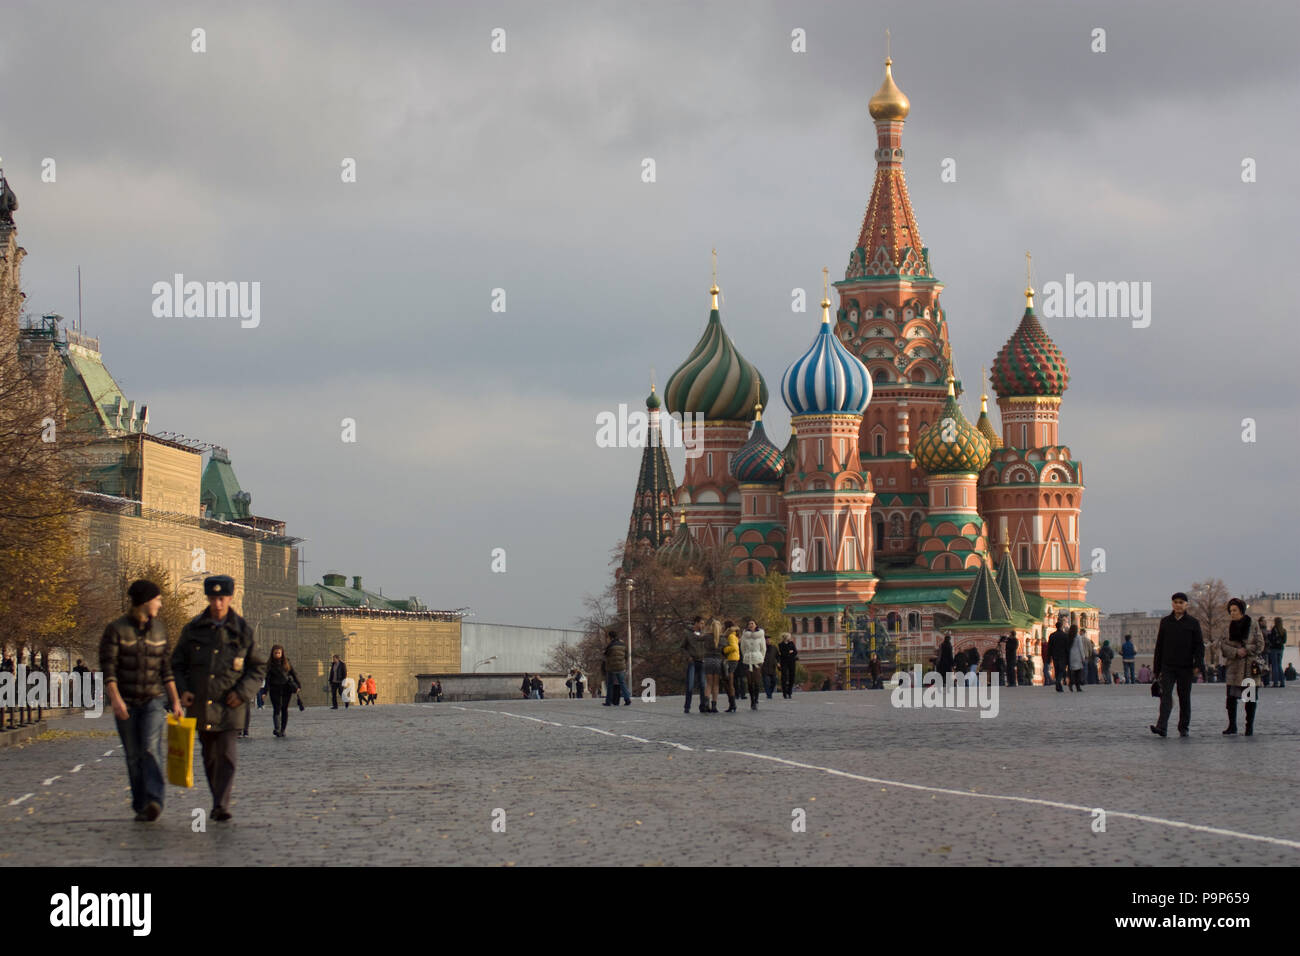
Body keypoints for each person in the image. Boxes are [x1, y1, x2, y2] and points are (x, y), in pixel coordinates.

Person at [172, 575, 266, 822]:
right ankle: (217, 799)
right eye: (213, 599)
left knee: (227, 755)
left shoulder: (242, 630)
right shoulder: (193, 629)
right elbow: (177, 664)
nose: (217, 604)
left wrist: (243, 692)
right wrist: (183, 690)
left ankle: (221, 804)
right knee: (210, 756)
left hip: (231, 705)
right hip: (201, 704)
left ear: (230, 598)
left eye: (221, 598)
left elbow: (257, 668)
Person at [100, 579, 184, 822]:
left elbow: (166, 670)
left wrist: (175, 701)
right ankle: (140, 804)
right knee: (133, 755)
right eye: (157, 599)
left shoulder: (159, 630)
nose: (161, 603)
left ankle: (155, 800)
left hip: (153, 700)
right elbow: (109, 669)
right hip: (125, 700)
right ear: (146, 601)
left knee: (149, 747)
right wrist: (115, 700)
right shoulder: (116, 630)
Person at [1150, 591, 1205, 738]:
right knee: (1165, 696)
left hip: (1185, 667)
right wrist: (1157, 669)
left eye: (1181, 602)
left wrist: (1198, 665)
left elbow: (1199, 646)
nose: (1178, 605)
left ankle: (1184, 727)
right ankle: (1162, 727)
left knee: (1184, 698)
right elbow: (1159, 646)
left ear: (1186, 605)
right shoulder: (1165, 622)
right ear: (1172, 604)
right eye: (1176, 602)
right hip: (1168, 666)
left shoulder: (1193, 623)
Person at [1217, 598, 1263, 736]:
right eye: (1230, 610)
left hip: (1249, 667)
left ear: (1241, 610)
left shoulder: (1253, 624)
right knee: (1231, 699)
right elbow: (1223, 646)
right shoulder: (1227, 627)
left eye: (1235, 610)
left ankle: (1249, 727)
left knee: (1250, 699)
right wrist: (1236, 652)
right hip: (1234, 668)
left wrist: (1246, 649)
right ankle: (1232, 725)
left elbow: (1260, 644)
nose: (1232, 613)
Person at [265, 645, 300, 738]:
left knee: (284, 709)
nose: (277, 654)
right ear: (272, 653)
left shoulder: (286, 662)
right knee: (276, 708)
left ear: (282, 653)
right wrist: (265, 691)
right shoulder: (269, 664)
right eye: (275, 653)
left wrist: (298, 685)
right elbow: (267, 679)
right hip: (274, 689)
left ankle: (283, 730)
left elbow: (293, 673)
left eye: (279, 653)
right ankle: (277, 728)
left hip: (286, 688)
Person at [739, 619, 765, 711]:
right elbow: (742, 647)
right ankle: (752, 700)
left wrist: (761, 658)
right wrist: (745, 656)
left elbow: (763, 648)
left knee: (756, 681)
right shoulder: (744, 635)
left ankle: (756, 699)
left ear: (756, 625)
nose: (750, 625)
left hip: (757, 659)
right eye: (749, 623)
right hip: (747, 659)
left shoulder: (760, 635)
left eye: (752, 623)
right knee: (749, 682)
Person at [602, 630, 631, 706]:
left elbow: (606, 654)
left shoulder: (610, 645)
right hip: (621, 667)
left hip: (611, 668)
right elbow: (626, 656)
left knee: (610, 684)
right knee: (622, 683)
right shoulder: (623, 645)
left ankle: (608, 701)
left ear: (610, 637)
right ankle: (627, 699)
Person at [702, 620, 725, 713]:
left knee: (708, 684)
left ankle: (706, 703)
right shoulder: (722, 638)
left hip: (708, 660)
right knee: (716, 685)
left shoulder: (707, 636)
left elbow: (698, 638)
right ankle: (714, 705)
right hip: (718, 661)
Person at [1047, 614, 1071, 692]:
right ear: (1061, 627)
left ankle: (1058, 686)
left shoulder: (1052, 635)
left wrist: (1049, 657)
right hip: (1063, 656)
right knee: (1062, 670)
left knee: (1057, 669)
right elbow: (1067, 647)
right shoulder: (1065, 636)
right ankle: (1058, 682)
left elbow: (1049, 647)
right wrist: (1068, 656)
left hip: (1055, 655)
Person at [721, 620, 740, 712]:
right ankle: (732, 704)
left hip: (731, 659)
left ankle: (733, 704)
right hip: (733, 659)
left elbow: (734, 647)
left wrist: (724, 650)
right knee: (728, 682)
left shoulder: (731, 636)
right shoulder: (733, 635)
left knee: (729, 682)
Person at [1265, 616, 1287, 688]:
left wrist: (1268, 635)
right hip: (1281, 649)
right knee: (1279, 665)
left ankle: (1275, 682)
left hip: (1274, 649)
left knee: (1274, 666)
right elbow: (1284, 641)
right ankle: (1282, 682)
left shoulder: (1273, 630)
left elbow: (1270, 639)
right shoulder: (1284, 630)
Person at [777, 632, 798, 699]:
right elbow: (783, 653)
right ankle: (784, 692)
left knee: (792, 676)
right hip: (784, 662)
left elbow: (795, 652)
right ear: (786, 637)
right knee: (784, 677)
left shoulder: (791, 643)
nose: (790, 638)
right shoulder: (780, 644)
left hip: (792, 661)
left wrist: (789, 652)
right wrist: (789, 652)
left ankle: (789, 691)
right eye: (789, 636)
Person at [1067, 623, 1087, 693]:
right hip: (1077, 656)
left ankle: (1071, 683)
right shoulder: (1078, 637)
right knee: (1078, 672)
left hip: (1071, 656)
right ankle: (1078, 687)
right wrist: (1083, 657)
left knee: (1072, 672)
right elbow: (1081, 648)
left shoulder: (1069, 636)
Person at [762, 634, 779, 699]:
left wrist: (778, 663)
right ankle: (769, 695)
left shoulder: (774, 648)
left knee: (774, 681)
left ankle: (770, 692)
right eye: (766, 640)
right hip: (764, 667)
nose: (768, 641)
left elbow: (777, 656)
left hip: (772, 667)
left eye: (769, 640)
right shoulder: (762, 648)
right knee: (766, 682)